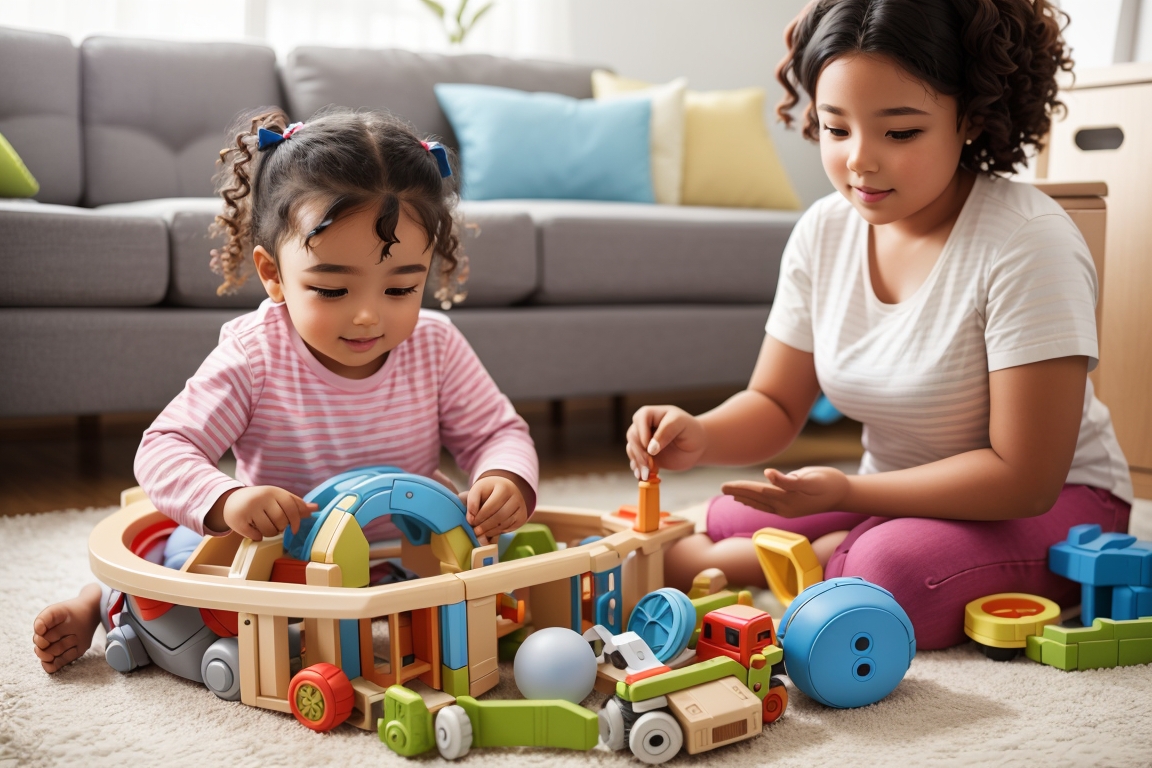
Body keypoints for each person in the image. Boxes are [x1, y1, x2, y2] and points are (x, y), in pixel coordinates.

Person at [625, 0, 1133, 650]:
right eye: (837, 130)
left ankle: (833, 554)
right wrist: (698, 432)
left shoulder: (1028, 242)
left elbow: (1024, 478)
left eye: (899, 133)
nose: (860, 161)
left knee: (882, 571)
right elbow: (776, 402)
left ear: (970, 117)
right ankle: (821, 553)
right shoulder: (823, 231)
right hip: (899, 490)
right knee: (729, 515)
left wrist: (851, 491)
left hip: (1062, 501)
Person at [33, 107, 538, 673]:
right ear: (273, 274)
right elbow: (165, 446)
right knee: (179, 575)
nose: (369, 316)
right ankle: (97, 605)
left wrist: (504, 476)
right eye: (330, 289)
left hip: (407, 560)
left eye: (400, 289)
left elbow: (496, 431)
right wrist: (226, 502)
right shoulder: (256, 353)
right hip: (276, 563)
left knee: (505, 578)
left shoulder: (437, 345)